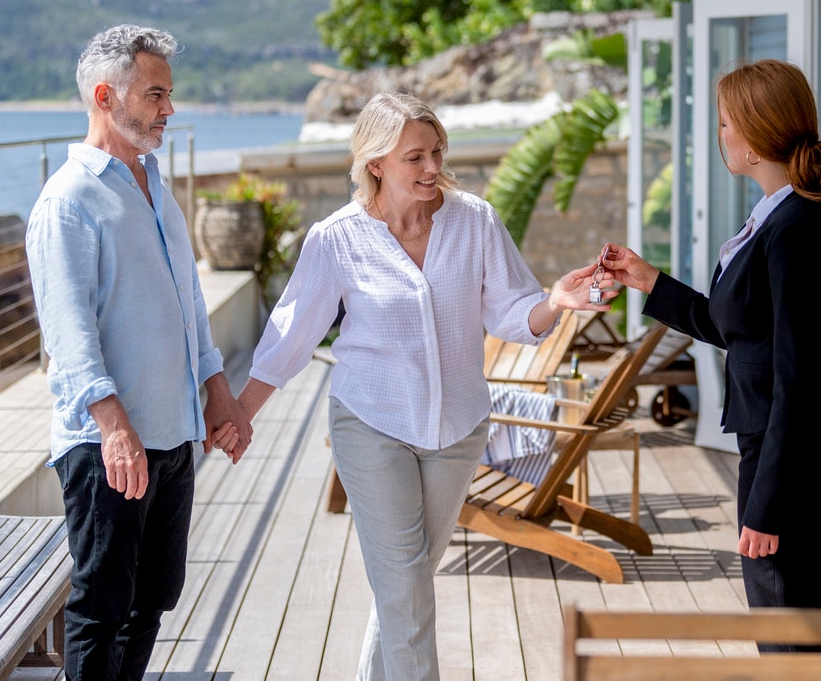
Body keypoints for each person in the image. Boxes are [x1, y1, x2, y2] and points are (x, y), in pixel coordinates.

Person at [232, 91, 613, 680]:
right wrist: (241, 413)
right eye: (415, 157)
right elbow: (291, 336)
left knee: (405, 584)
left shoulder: (475, 220)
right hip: (371, 423)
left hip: (458, 429)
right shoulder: (337, 239)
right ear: (375, 163)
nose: (433, 167)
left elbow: (515, 313)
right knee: (407, 591)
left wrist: (555, 302)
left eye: (437, 152)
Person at [601, 60, 821, 647]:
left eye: (725, 123)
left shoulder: (795, 229)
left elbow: (800, 376)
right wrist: (649, 281)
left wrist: (766, 504)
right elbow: (742, 332)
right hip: (785, 440)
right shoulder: (781, 213)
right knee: (801, 615)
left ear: (755, 134)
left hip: (790, 446)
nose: (721, 134)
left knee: (787, 621)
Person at [26, 24, 251, 679]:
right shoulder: (66, 203)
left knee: (151, 601)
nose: (169, 110)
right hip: (109, 448)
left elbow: (189, 311)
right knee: (102, 607)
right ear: (105, 96)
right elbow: (69, 339)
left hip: (174, 438)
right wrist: (115, 430)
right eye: (156, 95)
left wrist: (219, 394)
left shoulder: (156, 186)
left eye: (169, 94)